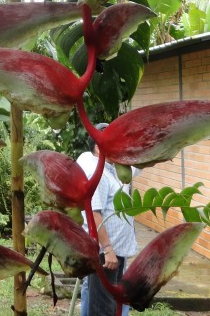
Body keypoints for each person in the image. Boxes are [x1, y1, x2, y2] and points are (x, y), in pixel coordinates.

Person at [79, 124, 138, 316]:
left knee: (111, 304)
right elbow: (95, 214)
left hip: (115, 253)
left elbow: (138, 163)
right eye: (114, 143)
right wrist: (108, 250)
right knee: (103, 308)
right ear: (98, 147)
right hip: (107, 255)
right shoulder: (98, 175)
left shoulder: (111, 172)